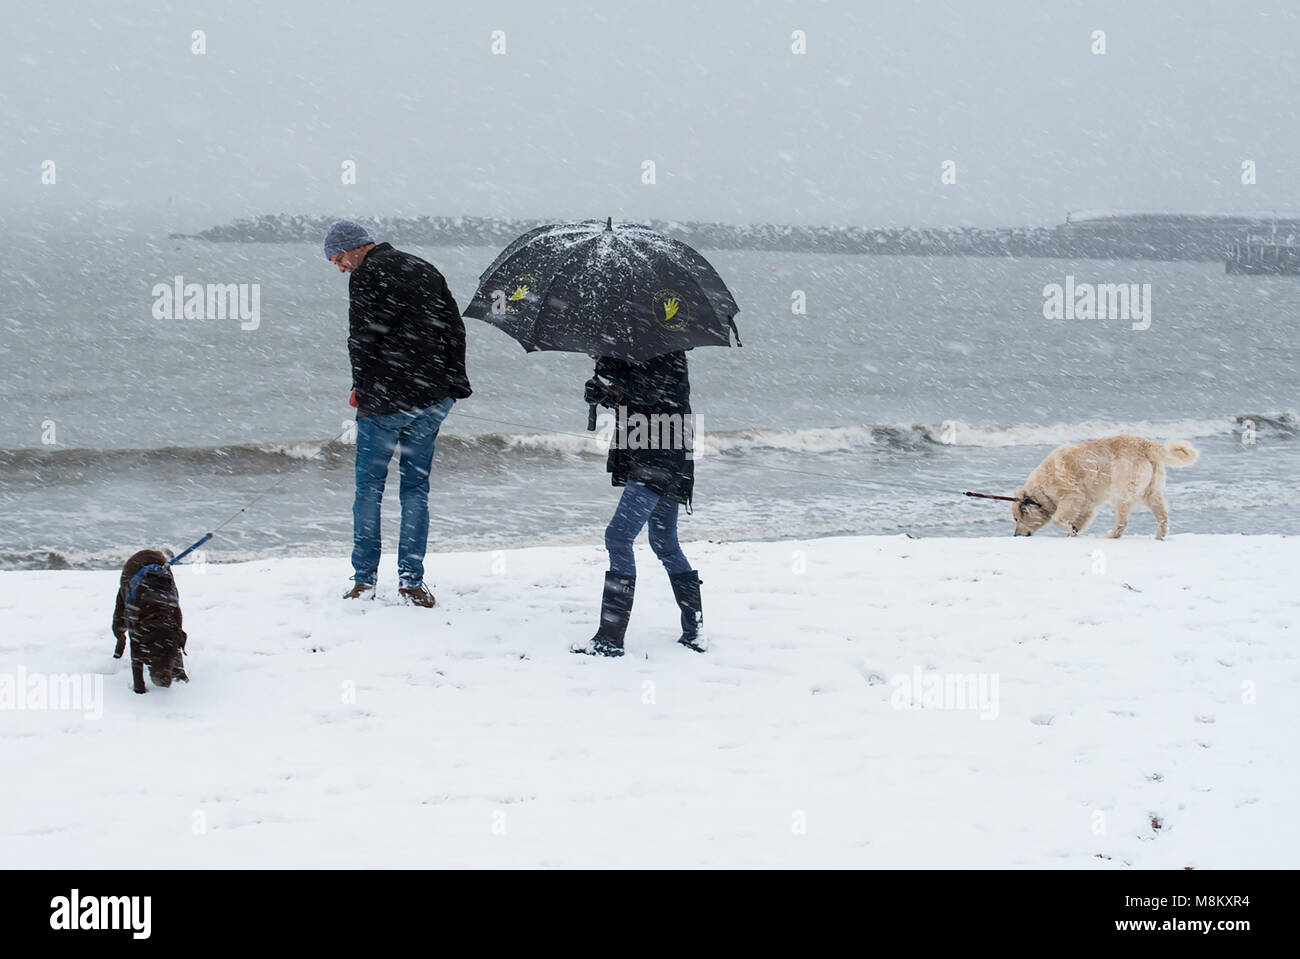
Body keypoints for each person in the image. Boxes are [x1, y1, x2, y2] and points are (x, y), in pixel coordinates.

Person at [324, 219, 472, 606]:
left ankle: (364, 581)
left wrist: (361, 388)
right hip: (430, 399)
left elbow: (362, 337)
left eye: (339, 258)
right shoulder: (423, 268)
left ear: (358, 247)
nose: (340, 267)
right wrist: (455, 386)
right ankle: (410, 582)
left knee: (369, 489)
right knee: (415, 491)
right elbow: (455, 330)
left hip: (385, 404)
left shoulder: (367, 275)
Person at [571, 350, 704, 657]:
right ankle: (694, 630)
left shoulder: (661, 349)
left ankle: (610, 637)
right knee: (664, 543)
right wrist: (607, 393)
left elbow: (647, 392)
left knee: (618, 537)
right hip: (664, 452)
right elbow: (641, 396)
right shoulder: (650, 344)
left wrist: (612, 378)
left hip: (658, 455)